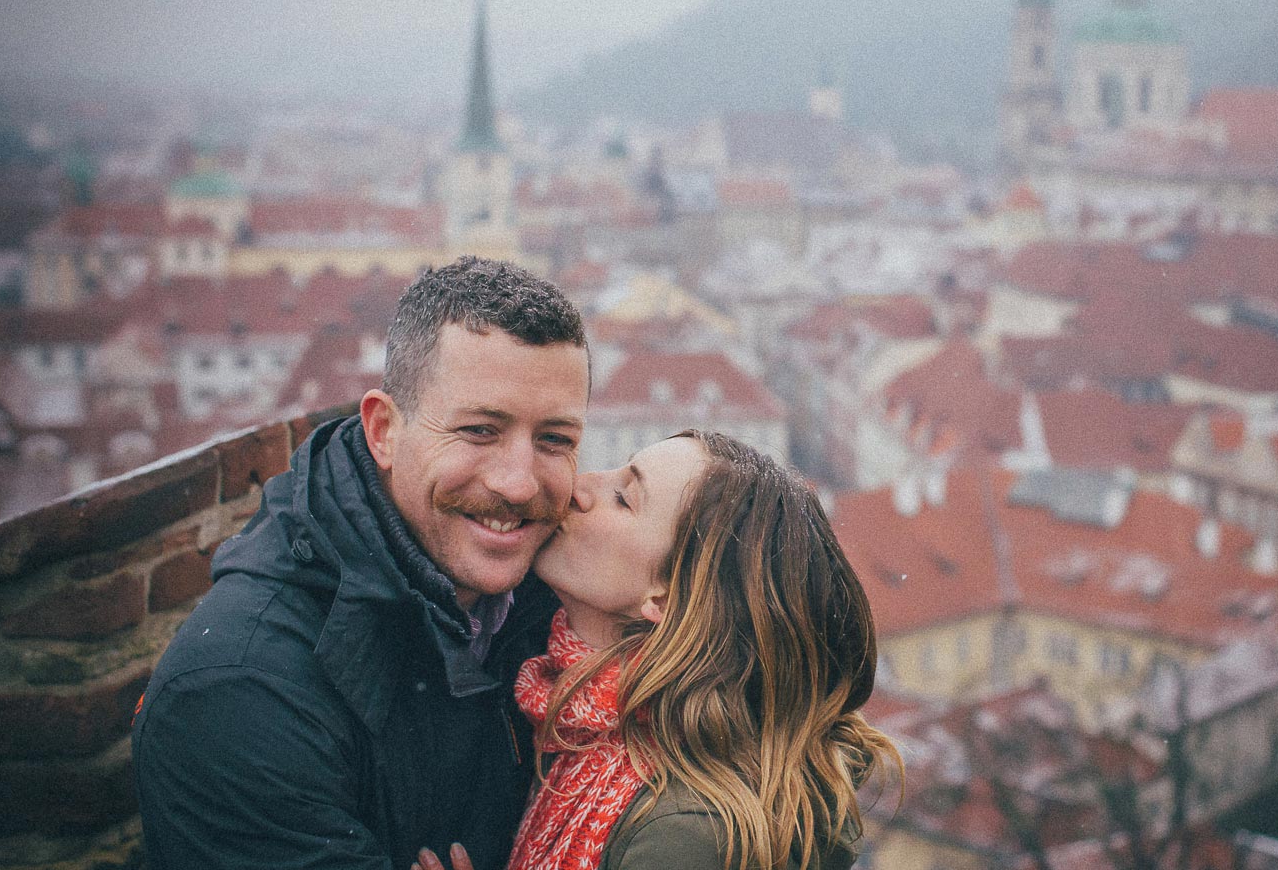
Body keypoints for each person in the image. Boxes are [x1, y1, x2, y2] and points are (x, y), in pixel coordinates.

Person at [132, 255, 590, 870]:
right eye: (480, 430)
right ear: (383, 431)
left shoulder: (562, 598)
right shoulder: (238, 693)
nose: (518, 483)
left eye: (555, 439)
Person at [416, 430, 899, 870]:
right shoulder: (571, 724)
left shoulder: (684, 837)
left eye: (624, 498)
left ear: (665, 599)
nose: (579, 488)